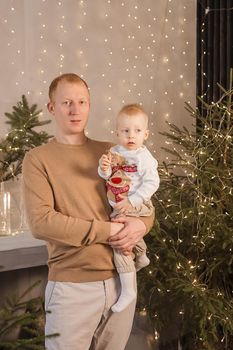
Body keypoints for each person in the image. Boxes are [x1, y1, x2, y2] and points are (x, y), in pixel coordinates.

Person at [22, 73, 154, 350]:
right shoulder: (38, 159)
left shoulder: (113, 151)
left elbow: (143, 199)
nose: (75, 109)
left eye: (82, 101)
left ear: (90, 105)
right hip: (72, 288)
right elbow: (42, 222)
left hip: (121, 281)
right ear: (51, 107)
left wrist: (142, 225)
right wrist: (109, 231)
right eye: (67, 102)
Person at [98, 104, 160, 313]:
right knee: (126, 235)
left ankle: (128, 290)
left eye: (137, 131)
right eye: (125, 131)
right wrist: (104, 168)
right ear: (117, 133)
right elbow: (108, 177)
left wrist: (132, 201)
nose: (131, 135)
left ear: (146, 134)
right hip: (120, 203)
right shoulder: (114, 152)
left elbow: (152, 183)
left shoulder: (144, 157)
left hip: (136, 204)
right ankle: (142, 254)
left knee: (119, 242)